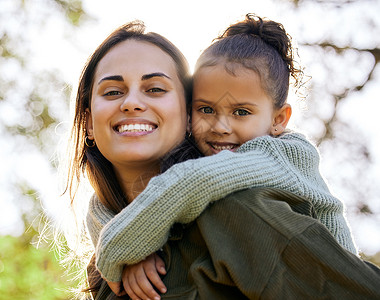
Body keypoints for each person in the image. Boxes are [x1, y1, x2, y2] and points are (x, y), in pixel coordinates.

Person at [86, 15, 380, 300]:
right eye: (112, 91)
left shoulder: (255, 181)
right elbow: (102, 206)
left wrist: (122, 244)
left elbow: (190, 182)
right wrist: (130, 243)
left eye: (155, 89)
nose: (221, 126)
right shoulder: (130, 235)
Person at [63, 20, 202, 299]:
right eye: (113, 92)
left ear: (189, 115)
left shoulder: (236, 211)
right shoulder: (105, 270)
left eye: (155, 89)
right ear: (88, 123)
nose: (131, 102)